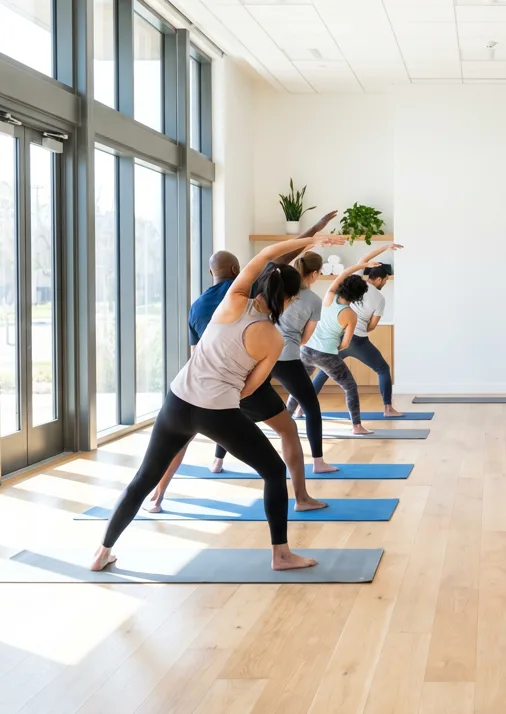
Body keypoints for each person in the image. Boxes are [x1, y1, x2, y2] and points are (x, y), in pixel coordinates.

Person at [89, 222, 344, 573]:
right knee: (272, 471)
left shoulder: (233, 299)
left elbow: (268, 254)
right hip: (217, 409)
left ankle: (102, 552)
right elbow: (250, 388)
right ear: (288, 299)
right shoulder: (272, 337)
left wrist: (313, 239)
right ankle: (281, 554)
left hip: (177, 400)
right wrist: (220, 406)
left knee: (144, 478)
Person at [289, 244, 403, 434]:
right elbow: (349, 341)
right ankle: (368, 420)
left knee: (307, 381)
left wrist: (376, 253)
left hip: (308, 348)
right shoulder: (352, 314)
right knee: (360, 381)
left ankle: (294, 412)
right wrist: (336, 347)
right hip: (340, 347)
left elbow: (352, 269)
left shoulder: (329, 296)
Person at [273, 252, 339, 473]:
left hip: (262, 353)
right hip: (287, 357)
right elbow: (305, 338)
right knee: (311, 407)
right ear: (315, 273)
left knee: (239, 404)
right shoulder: (313, 300)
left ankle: (218, 460)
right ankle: (318, 462)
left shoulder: (278, 289)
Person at [310, 263, 403, 417]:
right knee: (383, 369)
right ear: (379, 279)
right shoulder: (380, 298)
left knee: (324, 371)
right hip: (358, 341)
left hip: (340, 338)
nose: (385, 283)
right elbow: (372, 326)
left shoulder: (353, 285)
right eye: (385, 280)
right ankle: (388, 409)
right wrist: (360, 328)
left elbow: (348, 271)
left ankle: (301, 407)